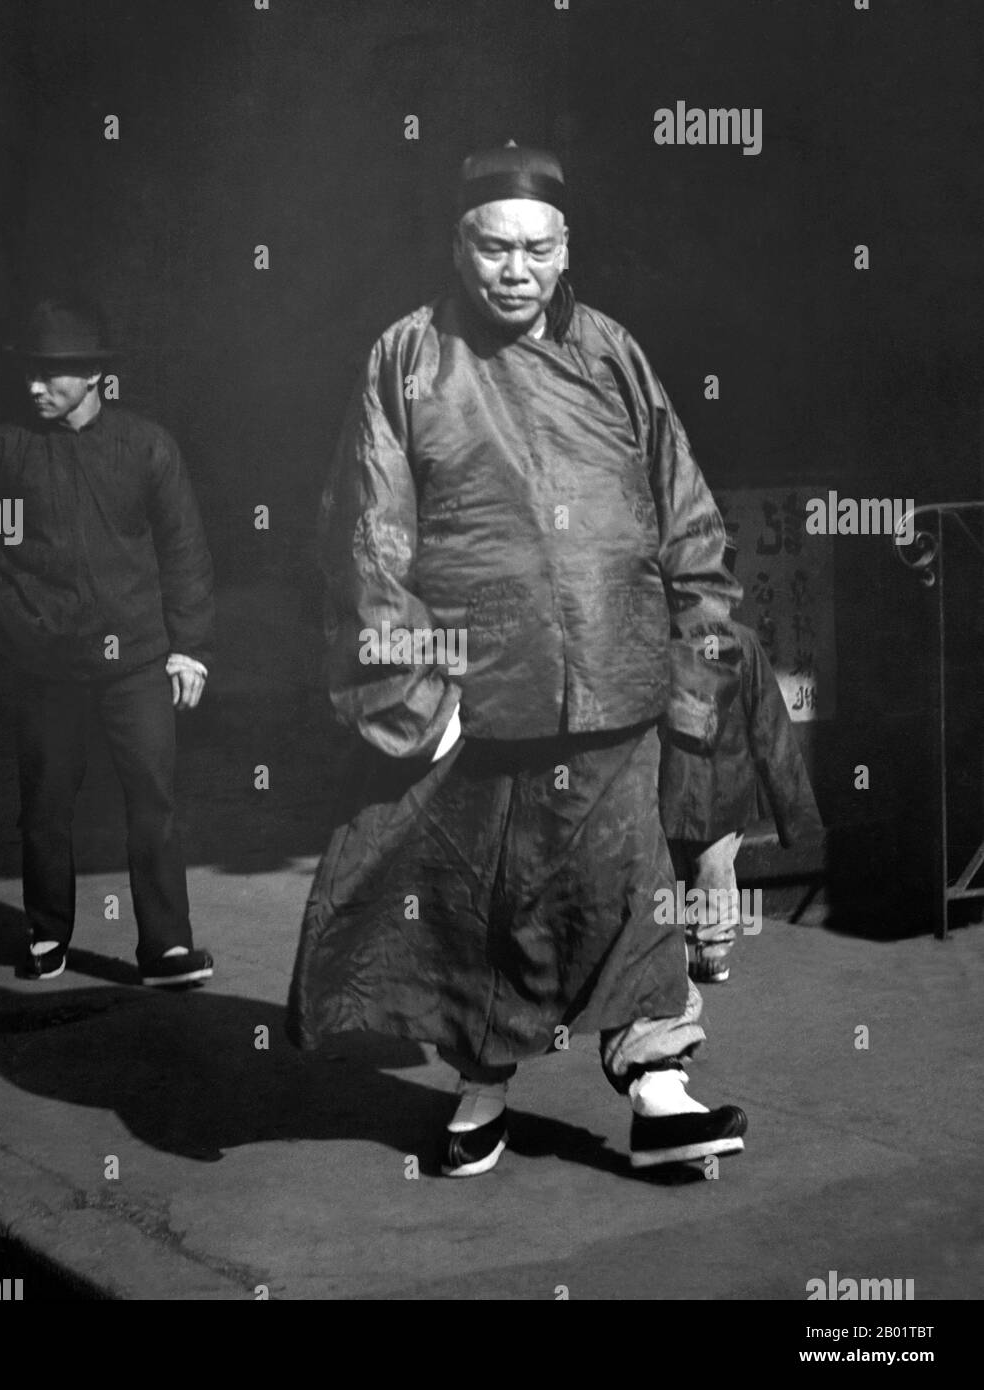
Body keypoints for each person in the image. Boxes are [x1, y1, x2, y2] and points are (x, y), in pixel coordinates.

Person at [287, 143, 749, 1177]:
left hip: (617, 684)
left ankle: (660, 1083)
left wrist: (691, 676)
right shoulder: (406, 358)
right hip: (476, 700)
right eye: (492, 247)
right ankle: (482, 1081)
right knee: (479, 907)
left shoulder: (611, 353)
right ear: (456, 248)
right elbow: (366, 537)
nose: (514, 269)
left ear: (564, 247)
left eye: (536, 249)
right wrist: (418, 691)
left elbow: (688, 523)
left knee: (628, 889)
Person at [0, 297, 216, 987]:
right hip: (46, 664)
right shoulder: (4, 449)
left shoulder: (145, 446)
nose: (35, 387)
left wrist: (191, 645)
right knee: (46, 807)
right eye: (28, 373)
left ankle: (166, 948)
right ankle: (46, 934)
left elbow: (184, 550)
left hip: (138, 661)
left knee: (152, 800)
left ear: (92, 375)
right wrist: (1, 602)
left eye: (52, 374)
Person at [659, 615, 824, 983]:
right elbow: (769, 725)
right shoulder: (742, 641)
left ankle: (694, 952)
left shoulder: (658, 635)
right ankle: (709, 951)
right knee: (712, 871)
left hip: (673, 779)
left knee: (688, 872)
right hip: (721, 785)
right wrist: (795, 814)